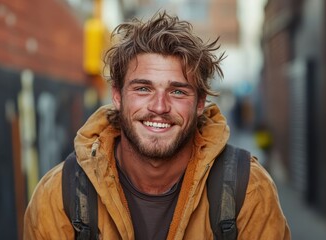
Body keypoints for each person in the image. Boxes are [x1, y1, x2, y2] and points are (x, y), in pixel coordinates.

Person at [23, 11, 290, 240]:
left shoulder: (247, 188)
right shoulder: (59, 195)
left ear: (200, 103)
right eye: (143, 88)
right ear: (117, 95)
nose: (159, 107)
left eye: (178, 92)